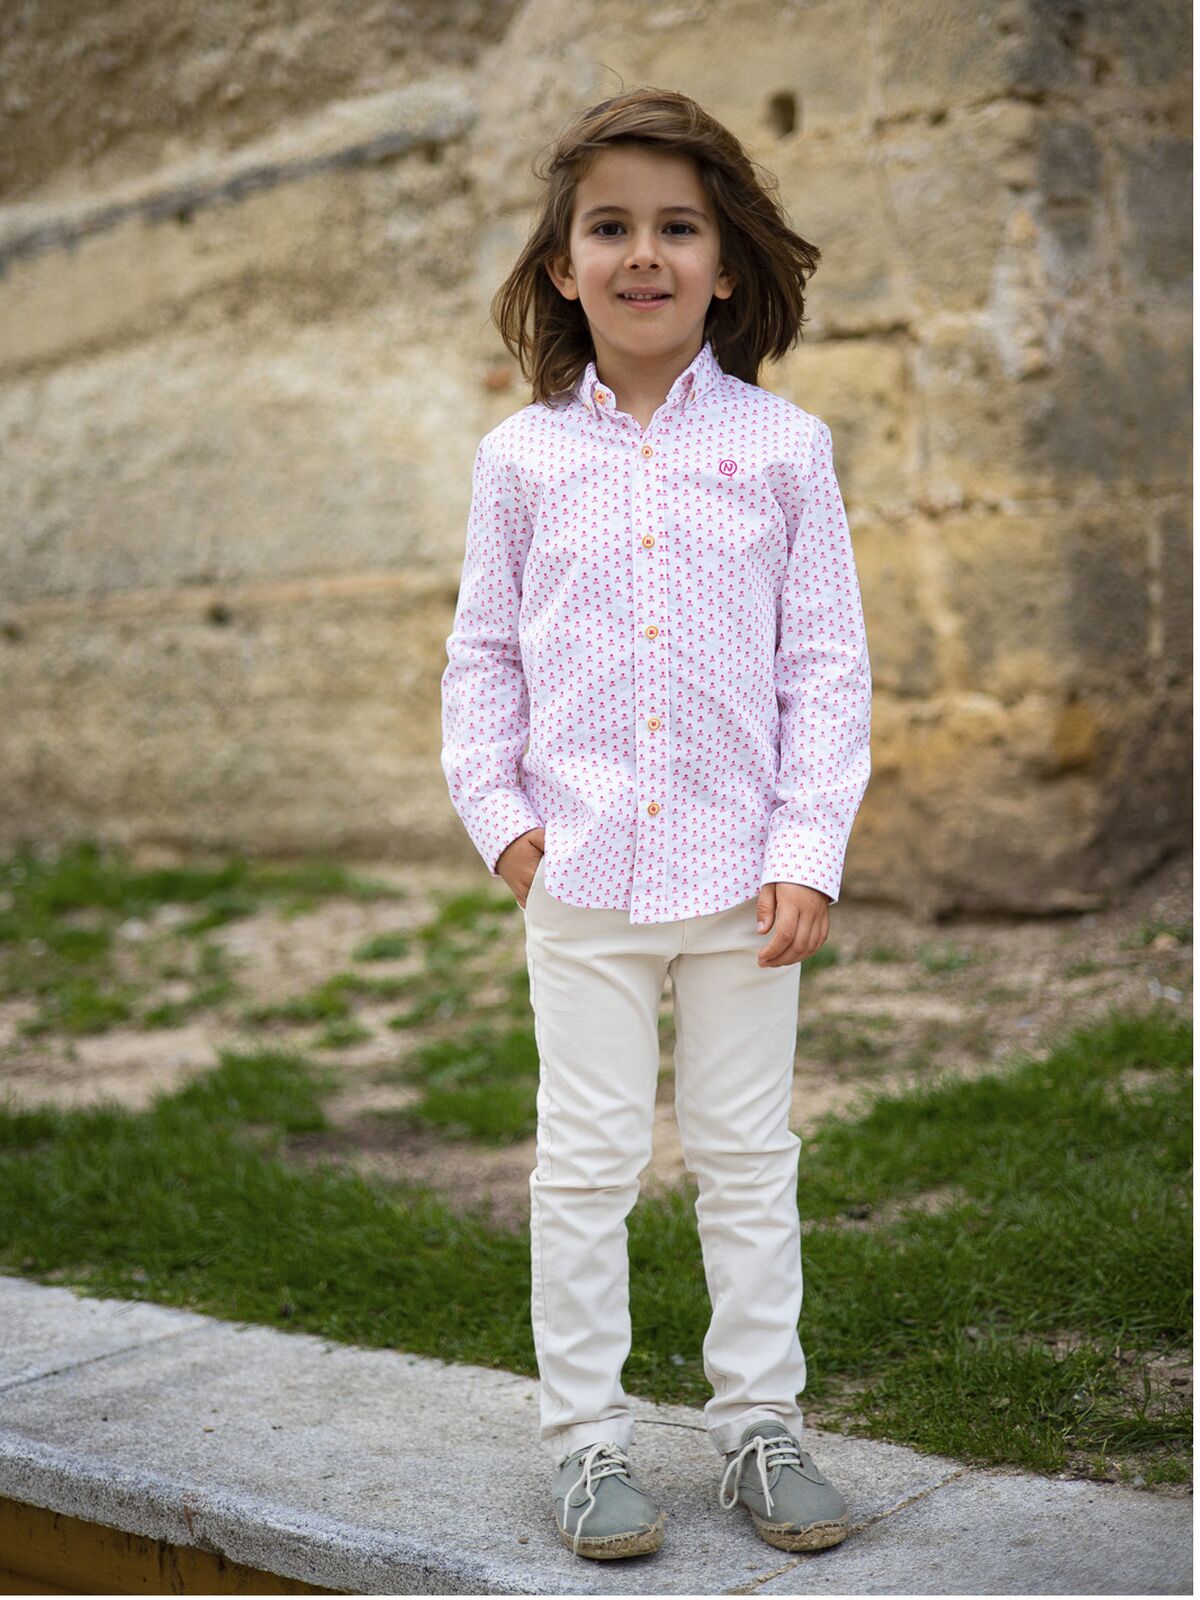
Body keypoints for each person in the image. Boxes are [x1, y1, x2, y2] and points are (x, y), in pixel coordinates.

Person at [441, 86, 872, 1562]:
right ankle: (587, 1443)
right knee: (585, 1159)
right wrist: (505, 825)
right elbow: (482, 658)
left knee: (750, 1160)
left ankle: (763, 1425)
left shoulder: (785, 450)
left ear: (727, 262)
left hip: (745, 886)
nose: (644, 253)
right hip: (583, 879)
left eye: (676, 227)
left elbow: (824, 667)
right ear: (563, 266)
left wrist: (805, 851)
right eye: (610, 227)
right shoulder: (522, 463)